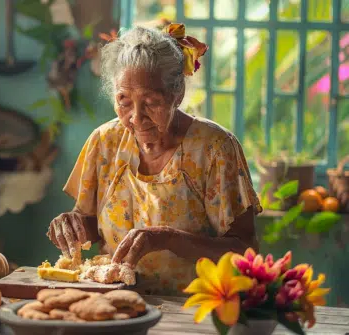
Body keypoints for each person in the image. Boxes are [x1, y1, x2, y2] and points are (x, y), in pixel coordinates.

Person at [47, 23, 262, 295]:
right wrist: (72, 225)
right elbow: (91, 225)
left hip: (195, 308)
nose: (136, 117)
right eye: (124, 101)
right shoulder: (104, 142)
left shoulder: (215, 149)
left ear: (177, 95)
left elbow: (245, 251)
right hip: (116, 301)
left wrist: (168, 239)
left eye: (151, 101)